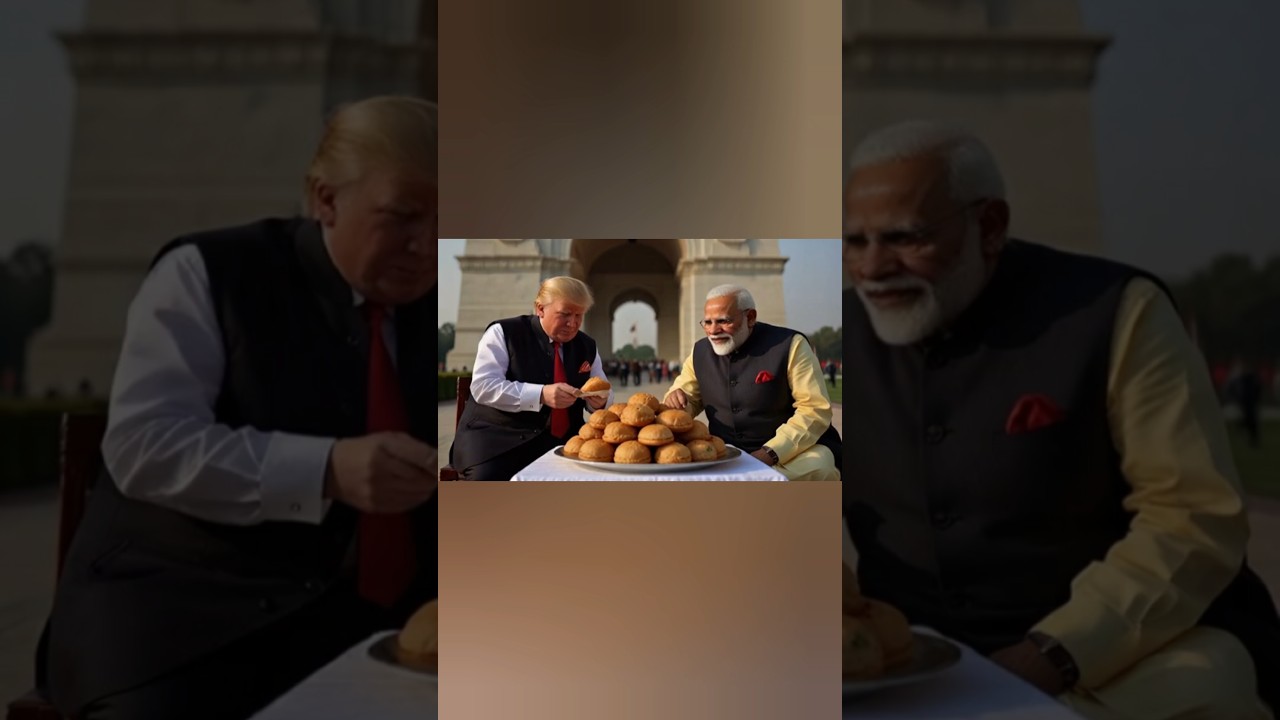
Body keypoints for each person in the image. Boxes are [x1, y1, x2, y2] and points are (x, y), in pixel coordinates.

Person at [843, 120, 1280, 718]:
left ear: (990, 226)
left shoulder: (1114, 312)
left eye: (904, 237)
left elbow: (1192, 515)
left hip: (1118, 659)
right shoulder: (844, 335)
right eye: (855, 241)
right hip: (915, 664)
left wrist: (1051, 655)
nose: (870, 267)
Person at [37, 96, 439, 719]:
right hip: (184, 625)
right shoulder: (208, 273)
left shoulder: (442, 318)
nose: (428, 247)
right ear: (324, 198)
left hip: (360, 627)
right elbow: (144, 446)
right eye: (404, 216)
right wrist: (324, 469)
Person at [662, 285, 841, 481]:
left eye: (724, 321)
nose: (713, 330)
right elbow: (686, 399)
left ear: (751, 317)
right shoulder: (699, 353)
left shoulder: (790, 345)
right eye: (707, 322)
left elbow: (814, 409)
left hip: (792, 452)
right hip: (727, 451)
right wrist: (678, 402)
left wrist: (770, 453)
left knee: (819, 467)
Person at [448, 276, 613, 480]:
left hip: (565, 442)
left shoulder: (587, 346)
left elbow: (604, 389)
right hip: (497, 441)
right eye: (565, 314)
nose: (573, 323)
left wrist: (601, 401)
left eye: (579, 315)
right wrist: (540, 394)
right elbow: (483, 387)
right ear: (540, 308)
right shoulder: (503, 333)